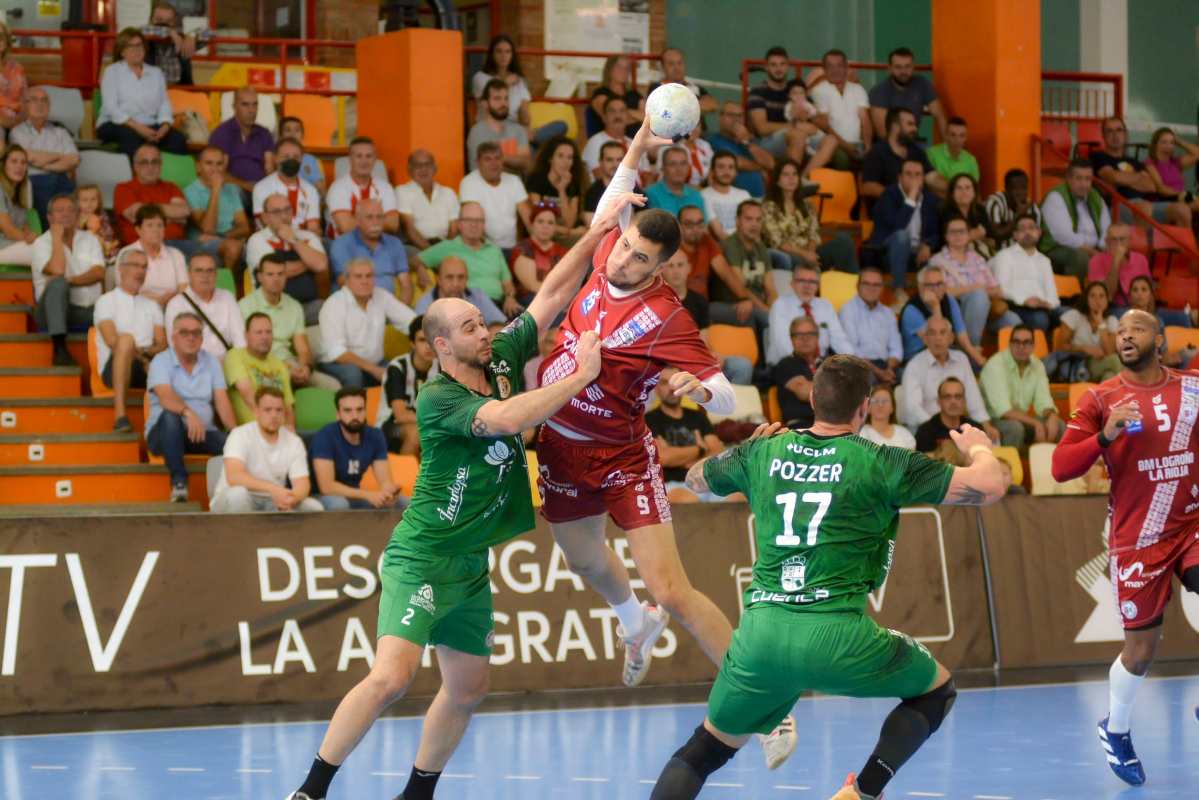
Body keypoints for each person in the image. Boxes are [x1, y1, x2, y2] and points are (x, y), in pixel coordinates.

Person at [284, 188, 632, 800]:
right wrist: (579, 376)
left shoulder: (498, 358)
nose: (485, 329)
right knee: (392, 677)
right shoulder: (439, 399)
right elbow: (506, 420)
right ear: (443, 346)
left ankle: (417, 793)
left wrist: (598, 231)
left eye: (482, 319)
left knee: (469, 688)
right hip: (423, 555)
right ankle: (311, 791)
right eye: (472, 326)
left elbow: (549, 296)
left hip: (470, 565)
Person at [534, 117, 798, 769]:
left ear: (661, 269)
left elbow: (729, 393)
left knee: (673, 591)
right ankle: (631, 621)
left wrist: (692, 385)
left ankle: (768, 707)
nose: (623, 260)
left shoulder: (667, 317)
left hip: (622, 457)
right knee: (586, 562)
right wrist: (637, 144)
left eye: (639, 259)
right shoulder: (603, 250)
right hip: (560, 448)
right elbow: (613, 200)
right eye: (623, 248)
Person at [647, 355, 1004, 800]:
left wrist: (745, 450)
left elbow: (697, 479)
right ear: (865, 407)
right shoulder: (881, 461)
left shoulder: (764, 450)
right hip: (839, 637)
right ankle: (864, 792)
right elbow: (990, 486)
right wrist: (980, 447)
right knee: (937, 690)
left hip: (761, 638)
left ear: (813, 398)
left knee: (702, 751)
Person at [1050, 309, 1199, 787]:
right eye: (1120, 332)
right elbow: (1060, 468)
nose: (1126, 336)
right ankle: (1116, 731)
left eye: (1136, 329)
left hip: (1192, 523)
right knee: (1140, 650)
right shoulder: (1101, 399)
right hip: (1139, 538)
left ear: (1160, 338)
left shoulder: (1192, 387)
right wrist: (1104, 435)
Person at [146, 312, 235, 502]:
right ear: (173, 337)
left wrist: (236, 434)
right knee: (171, 416)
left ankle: (237, 494)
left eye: (196, 333)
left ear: (202, 338)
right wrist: (188, 413)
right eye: (184, 332)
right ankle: (179, 483)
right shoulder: (160, 361)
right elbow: (165, 397)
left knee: (235, 446)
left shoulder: (211, 362)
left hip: (201, 432)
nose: (191, 337)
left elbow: (222, 401)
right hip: (164, 434)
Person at [210, 386, 322, 513]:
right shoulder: (239, 434)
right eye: (267, 410)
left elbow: (303, 484)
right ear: (256, 411)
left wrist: (291, 499)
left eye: (279, 410)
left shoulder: (294, 441)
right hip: (232, 498)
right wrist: (273, 489)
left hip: (273, 499)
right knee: (238, 495)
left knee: (314, 507)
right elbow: (234, 477)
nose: (274, 415)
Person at [94, 248, 167, 432]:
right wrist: (143, 358)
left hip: (146, 365)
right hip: (116, 366)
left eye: (144, 267)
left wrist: (145, 355)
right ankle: (120, 416)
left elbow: (162, 343)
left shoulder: (152, 306)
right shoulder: (106, 301)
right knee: (125, 340)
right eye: (135, 265)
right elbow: (113, 341)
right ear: (121, 268)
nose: (140, 271)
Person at [239, 252, 335, 390]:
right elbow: (248, 350)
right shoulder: (245, 305)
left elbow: (303, 349)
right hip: (261, 365)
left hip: (290, 363)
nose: (276, 279)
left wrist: (305, 368)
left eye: (280, 274)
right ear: (260, 277)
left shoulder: (294, 306)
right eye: (270, 274)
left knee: (333, 386)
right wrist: (285, 369)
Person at [660, 246, 753, 385]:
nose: (675, 271)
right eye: (670, 266)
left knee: (742, 366)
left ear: (688, 268)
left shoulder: (700, 301)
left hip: (696, 360)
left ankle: (729, 406)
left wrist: (713, 356)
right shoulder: (657, 302)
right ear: (662, 270)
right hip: (670, 363)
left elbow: (703, 340)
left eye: (680, 265)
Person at [316, 258, 415, 388]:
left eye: (369, 276)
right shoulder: (334, 304)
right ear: (346, 280)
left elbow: (411, 321)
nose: (364, 281)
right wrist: (373, 369)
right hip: (338, 363)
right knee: (353, 374)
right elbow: (336, 352)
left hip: (375, 362)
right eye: (358, 276)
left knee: (401, 372)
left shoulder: (381, 296)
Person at [30, 193, 104, 365]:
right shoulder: (42, 243)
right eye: (60, 210)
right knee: (57, 283)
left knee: (118, 305)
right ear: (49, 217)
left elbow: (99, 273)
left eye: (71, 210)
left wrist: (70, 280)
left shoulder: (90, 239)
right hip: (50, 312)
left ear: (78, 215)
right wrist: (57, 238)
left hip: (88, 311)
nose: (66, 214)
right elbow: (57, 270)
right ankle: (59, 348)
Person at [899, 316, 997, 440]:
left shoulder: (961, 359)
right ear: (925, 339)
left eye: (942, 332)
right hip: (926, 430)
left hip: (958, 426)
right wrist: (940, 427)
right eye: (932, 333)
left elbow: (973, 398)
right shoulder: (915, 366)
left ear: (951, 338)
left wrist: (985, 425)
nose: (938, 338)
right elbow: (913, 409)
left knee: (990, 440)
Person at [96, 28, 188, 158]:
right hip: (116, 124)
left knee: (177, 140)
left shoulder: (156, 73)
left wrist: (165, 125)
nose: (137, 50)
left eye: (139, 45)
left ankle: (170, 178)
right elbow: (112, 108)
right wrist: (139, 128)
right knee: (131, 137)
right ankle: (135, 177)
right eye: (131, 46)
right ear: (122, 51)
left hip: (149, 124)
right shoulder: (112, 72)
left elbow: (164, 103)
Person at [418, 200, 520, 316]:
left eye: (478, 221)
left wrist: (510, 297)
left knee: (528, 324)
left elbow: (507, 283)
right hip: (468, 306)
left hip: (501, 305)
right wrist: (421, 267)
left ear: (484, 225)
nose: (474, 224)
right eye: (469, 220)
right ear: (459, 224)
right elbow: (414, 261)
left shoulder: (494, 250)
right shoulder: (447, 247)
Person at [311, 387, 404, 511]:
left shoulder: (375, 436)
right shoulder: (325, 436)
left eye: (359, 410)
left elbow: (385, 481)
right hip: (321, 496)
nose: (355, 416)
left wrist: (389, 493)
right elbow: (327, 487)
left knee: (404, 503)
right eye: (348, 410)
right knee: (339, 505)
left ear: (365, 411)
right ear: (338, 414)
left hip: (354, 496)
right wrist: (368, 495)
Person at [929, 215, 1015, 347]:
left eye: (962, 231)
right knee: (978, 296)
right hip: (954, 315)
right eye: (953, 232)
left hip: (985, 312)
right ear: (946, 236)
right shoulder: (937, 261)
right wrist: (975, 288)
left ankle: (1011, 365)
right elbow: (940, 293)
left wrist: (980, 290)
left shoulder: (978, 259)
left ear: (969, 235)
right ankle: (970, 352)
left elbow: (997, 290)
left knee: (1013, 320)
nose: (958, 235)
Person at [761, 157, 858, 272]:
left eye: (795, 174)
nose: (791, 178)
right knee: (796, 261)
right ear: (777, 180)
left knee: (844, 241)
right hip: (787, 255)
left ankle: (853, 286)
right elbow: (776, 241)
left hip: (810, 254)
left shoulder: (806, 204)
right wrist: (804, 254)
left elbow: (813, 233)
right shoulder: (768, 207)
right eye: (786, 175)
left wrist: (810, 253)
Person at [1090, 116, 1188, 227]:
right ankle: (1146, 244)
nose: (1115, 135)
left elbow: (1151, 186)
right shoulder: (1098, 156)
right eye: (1109, 131)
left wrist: (1124, 180)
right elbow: (1113, 177)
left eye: (1119, 130)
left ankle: (1182, 245)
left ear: (1125, 135)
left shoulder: (1133, 161)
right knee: (1144, 207)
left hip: (1144, 204)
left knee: (1182, 209)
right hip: (1116, 206)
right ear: (1103, 136)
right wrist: (1139, 176)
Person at [470, 34, 565, 145]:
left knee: (561, 125)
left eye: (507, 52)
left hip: (516, 128)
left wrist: (524, 114)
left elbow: (526, 120)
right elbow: (491, 101)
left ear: (512, 55)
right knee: (530, 145)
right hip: (493, 127)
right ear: (492, 54)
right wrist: (507, 83)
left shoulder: (519, 81)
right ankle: (527, 140)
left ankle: (528, 139)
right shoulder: (480, 78)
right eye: (499, 51)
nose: (503, 56)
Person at [979, 324, 1063, 449]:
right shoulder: (995, 365)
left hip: (1021, 419)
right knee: (1015, 428)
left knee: (1059, 425)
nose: (1021, 347)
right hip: (992, 422)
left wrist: (1052, 415)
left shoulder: (1037, 365)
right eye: (1016, 342)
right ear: (1010, 344)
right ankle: (1010, 468)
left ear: (1033, 346)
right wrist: (1035, 423)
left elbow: (1043, 400)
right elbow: (1003, 411)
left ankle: (1054, 468)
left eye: (1026, 342)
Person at [646, 367, 724, 500]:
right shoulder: (649, 419)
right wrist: (700, 449)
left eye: (677, 383)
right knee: (688, 499)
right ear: (656, 388)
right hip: (673, 485)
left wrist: (679, 457)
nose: (671, 388)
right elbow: (662, 458)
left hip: (705, 482)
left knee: (738, 497)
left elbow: (717, 452)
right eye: (665, 383)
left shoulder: (698, 417)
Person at [245, 192, 328, 314]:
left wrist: (294, 240)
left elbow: (321, 265)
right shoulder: (257, 240)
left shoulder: (307, 236)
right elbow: (276, 271)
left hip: (307, 305)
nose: (284, 216)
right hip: (271, 308)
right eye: (276, 212)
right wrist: (308, 263)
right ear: (265, 217)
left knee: (327, 310)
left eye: (287, 210)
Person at [865, 157, 939, 292]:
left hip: (917, 255)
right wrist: (911, 197)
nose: (914, 178)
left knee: (939, 260)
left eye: (918, 175)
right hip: (887, 253)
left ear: (923, 178)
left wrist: (928, 244)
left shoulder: (930, 199)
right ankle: (898, 290)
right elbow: (897, 227)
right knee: (902, 236)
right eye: (909, 174)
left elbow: (936, 231)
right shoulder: (888, 195)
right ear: (900, 177)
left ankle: (931, 301)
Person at [9, 87, 78, 227]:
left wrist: (43, 163)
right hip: (35, 181)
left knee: (75, 206)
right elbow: (28, 157)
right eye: (34, 100)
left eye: (44, 100)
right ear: (24, 105)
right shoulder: (17, 132)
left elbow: (73, 160)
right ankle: (51, 237)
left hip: (62, 180)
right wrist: (59, 156)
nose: (40, 104)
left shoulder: (60, 131)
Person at [165, 251, 244, 362]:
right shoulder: (176, 304)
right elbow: (176, 346)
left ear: (216, 274)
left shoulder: (227, 297)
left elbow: (240, 338)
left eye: (210, 271)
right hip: (194, 365)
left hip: (228, 363)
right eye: (199, 270)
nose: (205, 275)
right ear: (189, 274)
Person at [1039, 158, 1111, 280]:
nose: (1084, 184)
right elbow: (1065, 237)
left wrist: (1105, 250)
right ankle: (1076, 297)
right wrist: (1095, 254)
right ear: (1068, 178)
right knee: (1081, 257)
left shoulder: (1096, 197)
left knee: (1120, 255)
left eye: (1088, 179)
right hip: (1058, 249)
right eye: (1079, 178)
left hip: (1093, 249)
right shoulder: (1056, 197)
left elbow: (1107, 230)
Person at [767, 263, 854, 364]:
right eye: (801, 281)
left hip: (820, 364)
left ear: (818, 286)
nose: (807, 286)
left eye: (812, 282)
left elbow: (839, 339)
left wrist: (852, 361)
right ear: (792, 284)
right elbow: (783, 345)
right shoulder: (780, 305)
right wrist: (811, 365)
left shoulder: (825, 305)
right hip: (788, 363)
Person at [991, 212, 1062, 334]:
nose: (1027, 232)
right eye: (1022, 229)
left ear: (1038, 232)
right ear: (1015, 235)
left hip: (1044, 307)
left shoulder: (1044, 260)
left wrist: (1049, 303)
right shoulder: (1005, 256)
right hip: (1017, 306)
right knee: (1040, 320)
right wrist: (1025, 300)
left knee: (1070, 316)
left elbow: (1052, 293)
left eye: (1031, 228)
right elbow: (1001, 290)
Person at [329, 198, 412, 301]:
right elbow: (344, 283)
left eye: (379, 217)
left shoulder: (395, 243)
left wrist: (401, 310)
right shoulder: (341, 244)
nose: (375, 222)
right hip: (353, 304)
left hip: (389, 305)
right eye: (369, 217)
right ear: (357, 220)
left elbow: (406, 284)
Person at [378, 315, 438, 454]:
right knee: (416, 434)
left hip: (427, 423)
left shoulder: (443, 367)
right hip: (390, 426)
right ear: (412, 343)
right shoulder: (397, 367)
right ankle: (405, 476)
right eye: (422, 340)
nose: (428, 346)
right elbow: (400, 415)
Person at [184, 146, 251, 269]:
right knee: (233, 248)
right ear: (198, 167)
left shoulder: (231, 189)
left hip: (227, 239)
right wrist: (215, 190)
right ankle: (226, 283)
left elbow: (244, 227)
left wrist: (223, 236)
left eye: (219, 164)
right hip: (201, 243)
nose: (215, 169)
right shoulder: (190, 191)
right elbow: (208, 229)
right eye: (209, 163)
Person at [715, 200, 775, 337]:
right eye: (749, 219)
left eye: (758, 220)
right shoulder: (730, 245)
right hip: (735, 303)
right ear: (737, 221)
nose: (754, 224)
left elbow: (770, 287)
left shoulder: (761, 248)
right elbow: (742, 287)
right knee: (770, 321)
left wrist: (774, 308)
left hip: (758, 304)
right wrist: (766, 310)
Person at [459, 141, 531, 255]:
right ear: (478, 162)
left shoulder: (514, 181)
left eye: (497, 158)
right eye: (487, 159)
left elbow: (528, 218)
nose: (494, 163)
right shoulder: (469, 182)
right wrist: (492, 254)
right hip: (483, 249)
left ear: (503, 160)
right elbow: (473, 224)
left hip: (513, 248)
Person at [113, 143, 191, 247]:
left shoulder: (171, 187)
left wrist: (148, 210)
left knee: (214, 246)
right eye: (144, 162)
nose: (150, 167)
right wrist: (174, 217)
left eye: (155, 162)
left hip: (179, 244)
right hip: (143, 247)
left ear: (161, 165)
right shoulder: (124, 188)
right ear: (135, 166)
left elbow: (184, 211)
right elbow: (137, 214)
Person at [224, 311, 294, 426]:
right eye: (258, 332)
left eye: (268, 332)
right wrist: (269, 425)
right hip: (250, 432)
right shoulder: (235, 356)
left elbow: (288, 407)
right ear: (246, 335)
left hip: (279, 433)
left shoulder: (280, 364)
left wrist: (290, 433)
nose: (264, 337)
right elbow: (247, 394)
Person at [899, 265, 978, 365]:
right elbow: (938, 342)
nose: (935, 289)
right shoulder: (911, 311)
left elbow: (961, 335)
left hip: (945, 353)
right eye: (930, 285)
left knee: (971, 360)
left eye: (939, 284)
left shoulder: (949, 300)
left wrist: (978, 359)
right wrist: (935, 306)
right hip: (916, 360)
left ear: (945, 285)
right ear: (920, 287)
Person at [808, 48, 872, 169]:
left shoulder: (858, 89)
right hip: (835, 144)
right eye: (830, 66)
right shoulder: (818, 91)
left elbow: (865, 120)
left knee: (874, 157)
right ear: (824, 70)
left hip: (858, 144)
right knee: (842, 159)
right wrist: (848, 147)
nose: (835, 70)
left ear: (846, 68)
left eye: (839, 65)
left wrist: (868, 146)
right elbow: (826, 127)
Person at [861, 107, 942, 202]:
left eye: (915, 125)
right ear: (895, 126)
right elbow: (867, 187)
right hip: (889, 207)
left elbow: (932, 178)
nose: (915, 129)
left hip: (918, 204)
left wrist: (954, 189)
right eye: (910, 124)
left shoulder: (916, 151)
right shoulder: (877, 152)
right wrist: (899, 196)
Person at [867, 46, 948, 141]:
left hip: (913, 141)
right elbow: (883, 133)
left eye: (907, 66)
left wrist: (949, 148)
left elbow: (940, 116)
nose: (903, 71)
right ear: (889, 69)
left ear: (913, 67)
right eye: (898, 67)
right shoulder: (879, 92)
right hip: (887, 146)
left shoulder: (922, 83)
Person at [838, 266, 902, 385]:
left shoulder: (888, 313)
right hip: (860, 365)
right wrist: (878, 372)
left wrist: (889, 369)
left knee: (906, 377)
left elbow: (896, 348)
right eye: (866, 284)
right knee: (868, 380)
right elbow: (852, 352)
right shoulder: (847, 310)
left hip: (887, 365)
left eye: (876, 285)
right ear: (857, 286)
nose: (871, 288)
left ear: (882, 288)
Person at [325, 136, 398, 236]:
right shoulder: (338, 188)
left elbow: (393, 225)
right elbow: (346, 227)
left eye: (369, 156)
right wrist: (378, 223)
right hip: (346, 244)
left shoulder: (385, 187)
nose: (364, 161)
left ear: (375, 159)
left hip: (380, 243)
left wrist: (359, 222)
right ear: (350, 159)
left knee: (406, 250)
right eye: (359, 156)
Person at [208, 87, 275, 196]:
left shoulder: (264, 133)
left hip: (260, 189)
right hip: (232, 188)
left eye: (255, 104)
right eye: (245, 104)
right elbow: (218, 172)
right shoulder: (222, 133)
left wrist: (265, 189)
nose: (251, 110)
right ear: (234, 107)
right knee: (234, 192)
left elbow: (269, 169)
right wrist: (247, 186)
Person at [746, 46, 808, 163]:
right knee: (798, 136)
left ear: (788, 66)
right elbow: (762, 129)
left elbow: (809, 119)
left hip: (795, 135)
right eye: (773, 65)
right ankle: (794, 180)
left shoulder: (795, 91)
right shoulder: (758, 92)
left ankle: (804, 177)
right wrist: (793, 126)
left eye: (782, 64)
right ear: (766, 67)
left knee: (830, 140)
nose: (778, 68)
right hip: (765, 143)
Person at [119, 204, 187, 308]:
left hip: (172, 307)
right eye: (150, 225)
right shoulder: (127, 253)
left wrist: (168, 301)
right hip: (137, 307)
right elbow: (126, 291)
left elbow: (184, 288)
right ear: (138, 229)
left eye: (160, 225)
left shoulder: (176, 255)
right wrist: (158, 301)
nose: (156, 230)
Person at [252, 137, 322, 234]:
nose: (291, 161)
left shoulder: (310, 190)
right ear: (275, 158)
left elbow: (313, 228)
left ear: (302, 159)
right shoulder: (261, 188)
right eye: (286, 157)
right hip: (271, 241)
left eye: (296, 157)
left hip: (302, 241)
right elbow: (263, 225)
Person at [413, 255, 506, 326]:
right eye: (449, 277)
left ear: (467, 279)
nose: (455, 284)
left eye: (461, 277)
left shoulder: (478, 296)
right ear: (438, 279)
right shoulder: (425, 305)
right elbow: (424, 341)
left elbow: (502, 324)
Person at [1058, 281, 1121, 382]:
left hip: (1100, 365)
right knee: (1115, 361)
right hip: (1079, 364)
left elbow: (1109, 351)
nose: (1097, 300)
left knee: (1109, 377)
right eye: (1093, 296)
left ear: (1107, 300)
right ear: (1086, 299)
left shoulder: (1111, 320)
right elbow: (1062, 346)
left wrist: (1101, 324)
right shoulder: (1075, 316)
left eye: (1101, 296)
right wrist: (1084, 348)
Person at [396, 149, 459, 250]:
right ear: (409, 170)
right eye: (418, 166)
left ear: (435, 168)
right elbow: (409, 230)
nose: (423, 169)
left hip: (445, 245)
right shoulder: (402, 191)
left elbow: (454, 229)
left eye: (427, 165)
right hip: (416, 246)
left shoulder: (448, 193)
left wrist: (447, 250)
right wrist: (432, 254)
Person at [912, 375, 993, 455]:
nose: (953, 401)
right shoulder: (925, 431)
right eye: (947, 397)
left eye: (958, 396)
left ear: (964, 401)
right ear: (939, 401)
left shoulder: (975, 429)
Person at [524, 136, 587, 237]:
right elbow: (537, 219)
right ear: (550, 158)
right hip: (542, 235)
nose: (565, 162)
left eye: (569, 157)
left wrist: (561, 190)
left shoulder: (573, 183)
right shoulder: (536, 181)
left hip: (562, 236)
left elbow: (569, 222)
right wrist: (570, 232)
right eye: (560, 156)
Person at [466, 79, 530, 174]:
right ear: (485, 104)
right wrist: (512, 159)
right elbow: (479, 170)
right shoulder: (476, 132)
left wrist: (496, 157)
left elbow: (526, 164)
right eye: (497, 98)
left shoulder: (518, 129)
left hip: (515, 186)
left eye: (506, 98)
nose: (503, 103)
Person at [509, 202, 567, 305]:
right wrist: (560, 300)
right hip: (529, 301)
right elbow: (532, 285)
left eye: (550, 223)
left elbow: (567, 282)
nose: (545, 226)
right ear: (532, 225)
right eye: (540, 221)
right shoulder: (523, 248)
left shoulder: (562, 251)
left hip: (556, 300)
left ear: (555, 227)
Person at [772, 315, 822, 428]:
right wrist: (836, 390)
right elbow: (806, 392)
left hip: (832, 425)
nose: (805, 339)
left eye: (810, 334)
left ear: (817, 337)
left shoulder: (828, 363)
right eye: (799, 335)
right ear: (791, 339)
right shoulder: (786, 364)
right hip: (801, 428)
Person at [1087, 223, 1150, 312]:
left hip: (1141, 308)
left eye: (1122, 239)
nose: (1118, 244)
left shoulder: (1141, 259)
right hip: (1113, 309)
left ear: (1129, 241)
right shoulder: (1096, 261)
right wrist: (1116, 262)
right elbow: (1107, 296)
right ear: (1106, 241)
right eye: (1113, 239)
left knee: (1174, 317)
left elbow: (1149, 293)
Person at [677, 203, 729, 299]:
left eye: (700, 223)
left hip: (704, 307)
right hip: (679, 306)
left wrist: (744, 298)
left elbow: (727, 274)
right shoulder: (671, 248)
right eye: (689, 224)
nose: (695, 229)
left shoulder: (706, 240)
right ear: (679, 226)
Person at [1144, 126, 1199, 216]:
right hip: (1162, 202)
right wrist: (1181, 194)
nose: (1168, 146)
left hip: (1181, 200)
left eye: (1171, 143)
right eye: (1164, 142)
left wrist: (1179, 141)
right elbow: (1161, 188)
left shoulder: (1176, 162)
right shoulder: (1150, 163)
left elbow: (1197, 153)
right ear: (1155, 144)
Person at [586, 54, 644, 138]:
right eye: (619, 67)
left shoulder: (634, 94)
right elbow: (611, 120)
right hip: (606, 142)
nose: (623, 71)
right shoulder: (600, 93)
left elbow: (647, 118)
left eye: (626, 68)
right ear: (609, 70)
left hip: (633, 141)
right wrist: (636, 115)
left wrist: (621, 114)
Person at [647, 47, 717, 114]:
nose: (677, 68)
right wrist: (696, 105)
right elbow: (664, 110)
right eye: (671, 64)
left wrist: (681, 106)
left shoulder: (695, 87)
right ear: (663, 67)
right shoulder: (658, 88)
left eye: (679, 63)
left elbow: (712, 105)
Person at [984, 168, 1041, 249]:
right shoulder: (995, 202)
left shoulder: (1032, 208)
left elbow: (1036, 237)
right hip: (1000, 253)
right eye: (1015, 188)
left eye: (1024, 188)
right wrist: (1018, 216)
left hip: (1025, 253)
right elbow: (996, 234)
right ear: (1006, 188)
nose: (1020, 192)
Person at [941, 173, 994, 259]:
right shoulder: (945, 211)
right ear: (952, 193)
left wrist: (970, 236)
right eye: (959, 188)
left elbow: (991, 239)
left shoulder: (980, 209)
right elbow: (948, 240)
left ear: (974, 192)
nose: (964, 192)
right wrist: (974, 235)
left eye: (968, 188)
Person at [144, 1, 197, 86]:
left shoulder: (183, 40)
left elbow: (210, 33)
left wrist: (192, 35)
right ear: (150, 21)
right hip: (150, 93)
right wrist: (169, 31)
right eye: (159, 19)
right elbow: (139, 31)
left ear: (175, 24)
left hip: (179, 93)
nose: (163, 24)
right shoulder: (143, 40)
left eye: (169, 21)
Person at [701, 152, 751, 241]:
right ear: (712, 171)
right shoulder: (703, 195)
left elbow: (751, 227)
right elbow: (718, 233)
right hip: (721, 247)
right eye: (721, 167)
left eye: (731, 167)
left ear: (736, 172)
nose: (726, 171)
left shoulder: (744, 195)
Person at [646, 146, 706, 218]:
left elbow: (703, 226)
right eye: (672, 164)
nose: (679, 169)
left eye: (683, 163)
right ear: (662, 168)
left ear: (688, 167)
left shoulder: (696, 195)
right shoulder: (650, 194)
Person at [0, 144, 35, 265]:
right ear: (4, 165)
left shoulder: (21, 192)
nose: (19, 166)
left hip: (12, 244)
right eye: (14, 161)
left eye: (23, 162)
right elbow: (8, 230)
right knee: (45, 253)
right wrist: (33, 239)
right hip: (2, 246)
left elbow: (24, 227)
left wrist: (30, 235)